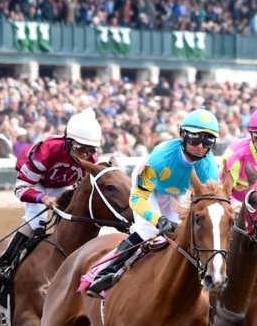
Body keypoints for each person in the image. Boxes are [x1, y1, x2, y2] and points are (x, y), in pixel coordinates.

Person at [87, 108, 221, 293]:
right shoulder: (160, 160)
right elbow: (136, 199)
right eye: (195, 138)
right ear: (182, 136)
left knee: (181, 232)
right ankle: (105, 271)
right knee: (148, 229)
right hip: (149, 189)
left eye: (207, 140)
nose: (200, 145)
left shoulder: (210, 169)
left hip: (177, 192)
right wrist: (159, 220)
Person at [0, 109, 103, 286]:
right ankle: (3, 265)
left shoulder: (92, 161)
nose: (83, 155)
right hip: (36, 183)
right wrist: (43, 198)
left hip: (61, 185)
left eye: (90, 150)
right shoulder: (46, 150)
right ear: (67, 142)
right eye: (79, 148)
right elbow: (21, 189)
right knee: (36, 222)